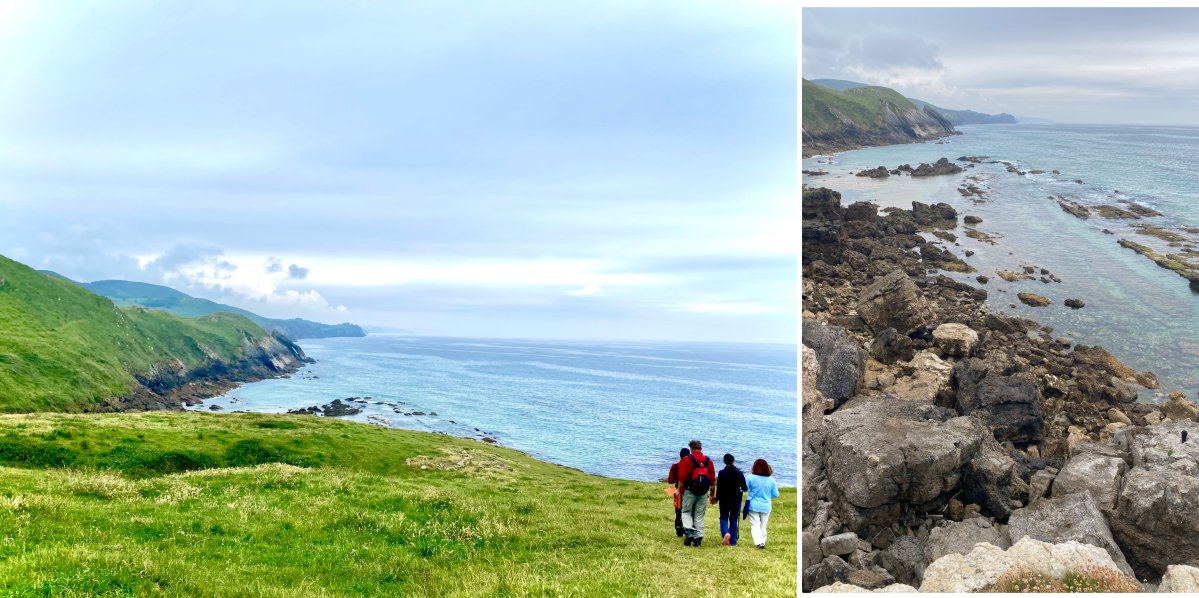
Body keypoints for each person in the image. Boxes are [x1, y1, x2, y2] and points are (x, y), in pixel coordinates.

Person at [676, 439, 716, 547]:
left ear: (691, 448)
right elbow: (712, 481)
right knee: (699, 515)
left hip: (690, 491)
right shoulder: (709, 461)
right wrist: (712, 495)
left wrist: (679, 490)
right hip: (703, 492)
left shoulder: (687, 459)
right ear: (701, 449)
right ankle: (698, 538)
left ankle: (689, 532)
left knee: (686, 512)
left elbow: (682, 478)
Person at [745, 458, 779, 549]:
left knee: (755, 524)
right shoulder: (771, 480)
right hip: (766, 506)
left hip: (753, 505)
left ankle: (759, 542)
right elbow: (776, 494)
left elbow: (745, 488)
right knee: (763, 525)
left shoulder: (750, 477)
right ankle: (763, 541)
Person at [715, 453, 747, 546]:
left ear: (724, 462)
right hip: (736, 499)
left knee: (724, 517)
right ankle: (733, 541)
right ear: (734, 461)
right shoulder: (739, 473)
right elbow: (745, 488)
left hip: (724, 499)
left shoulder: (722, 473)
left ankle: (726, 533)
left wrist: (717, 498)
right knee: (734, 519)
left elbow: (719, 487)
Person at [666, 447, 691, 537]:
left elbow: (670, 480)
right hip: (690, 491)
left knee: (678, 511)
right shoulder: (691, 466)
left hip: (678, 491)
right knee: (689, 511)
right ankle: (688, 528)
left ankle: (679, 529)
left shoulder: (675, 466)